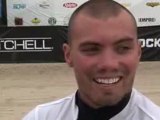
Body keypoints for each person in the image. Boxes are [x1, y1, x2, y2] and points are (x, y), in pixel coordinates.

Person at [23, 0, 160, 120]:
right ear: (68, 55)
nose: (109, 64)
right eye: (92, 49)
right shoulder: (40, 117)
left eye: (123, 48)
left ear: (138, 52)